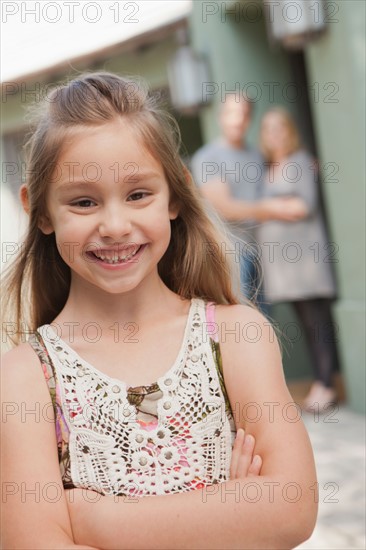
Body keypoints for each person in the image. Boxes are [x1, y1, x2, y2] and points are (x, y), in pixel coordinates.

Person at [1, 73, 317, 549]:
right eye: (83, 202)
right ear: (40, 211)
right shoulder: (25, 377)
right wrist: (230, 515)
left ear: (175, 193)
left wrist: (100, 521)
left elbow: (291, 507)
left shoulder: (235, 337)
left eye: (138, 194)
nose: (114, 225)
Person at [256, 106, 340, 412]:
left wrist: (264, 207)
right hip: (284, 269)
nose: (275, 134)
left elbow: (303, 207)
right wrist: (275, 206)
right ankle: (321, 383)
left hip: (306, 261)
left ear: (289, 130)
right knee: (306, 325)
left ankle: (326, 386)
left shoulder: (301, 162)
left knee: (318, 323)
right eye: (268, 128)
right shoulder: (266, 169)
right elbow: (280, 208)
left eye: (280, 127)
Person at [191, 94, 307, 311]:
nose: (237, 120)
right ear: (221, 117)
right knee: (242, 318)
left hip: (263, 252)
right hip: (232, 254)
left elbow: (279, 170)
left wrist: (307, 165)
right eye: (232, 114)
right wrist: (269, 209)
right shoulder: (208, 157)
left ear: (249, 119)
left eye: (243, 114)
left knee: (267, 321)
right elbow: (223, 207)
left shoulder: (256, 154)